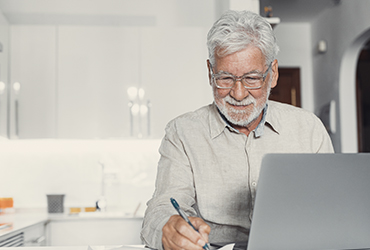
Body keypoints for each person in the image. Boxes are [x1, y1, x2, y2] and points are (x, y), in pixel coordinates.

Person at [141, 10, 334, 250]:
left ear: (272, 74)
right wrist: (168, 228)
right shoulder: (182, 132)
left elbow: (331, 207)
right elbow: (161, 208)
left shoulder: (309, 129)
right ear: (210, 73)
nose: (238, 93)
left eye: (252, 78)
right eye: (225, 79)